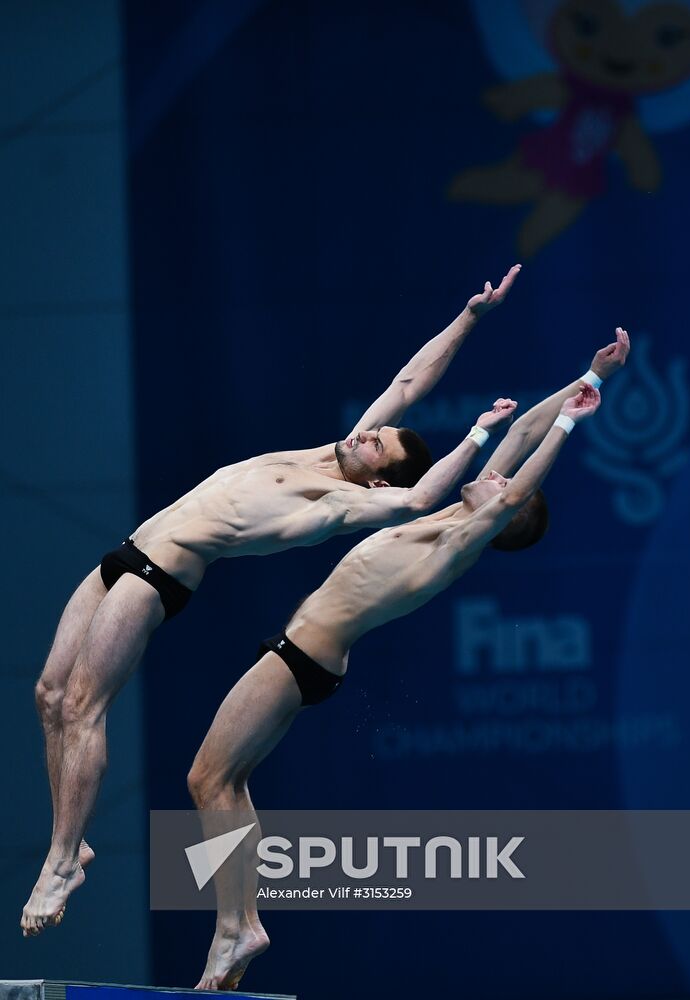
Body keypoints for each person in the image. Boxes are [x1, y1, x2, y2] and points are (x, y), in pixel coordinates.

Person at [21, 266, 523, 937]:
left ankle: (61, 862)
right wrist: (470, 317)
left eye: (378, 443)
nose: (368, 432)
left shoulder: (340, 501)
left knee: (84, 705)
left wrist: (480, 436)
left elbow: (420, 497)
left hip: (158, 576)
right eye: (377, 430)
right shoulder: (329, 454)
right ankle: (72, 840)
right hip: (124, 553)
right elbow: (409, 382)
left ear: (376, 480)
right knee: (50, 694)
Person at [186, 332, 627, 990]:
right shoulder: (455, 514)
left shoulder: (463, 541)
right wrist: (586, 379)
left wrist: (571, 423)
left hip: (301, 656)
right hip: (307, 660)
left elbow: (518, 484)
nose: (497, 476)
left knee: (206, 779)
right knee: (224, 784)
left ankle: (238, 926)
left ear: (504, 517)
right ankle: (238, 925)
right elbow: (525, 433)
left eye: (505, 486)